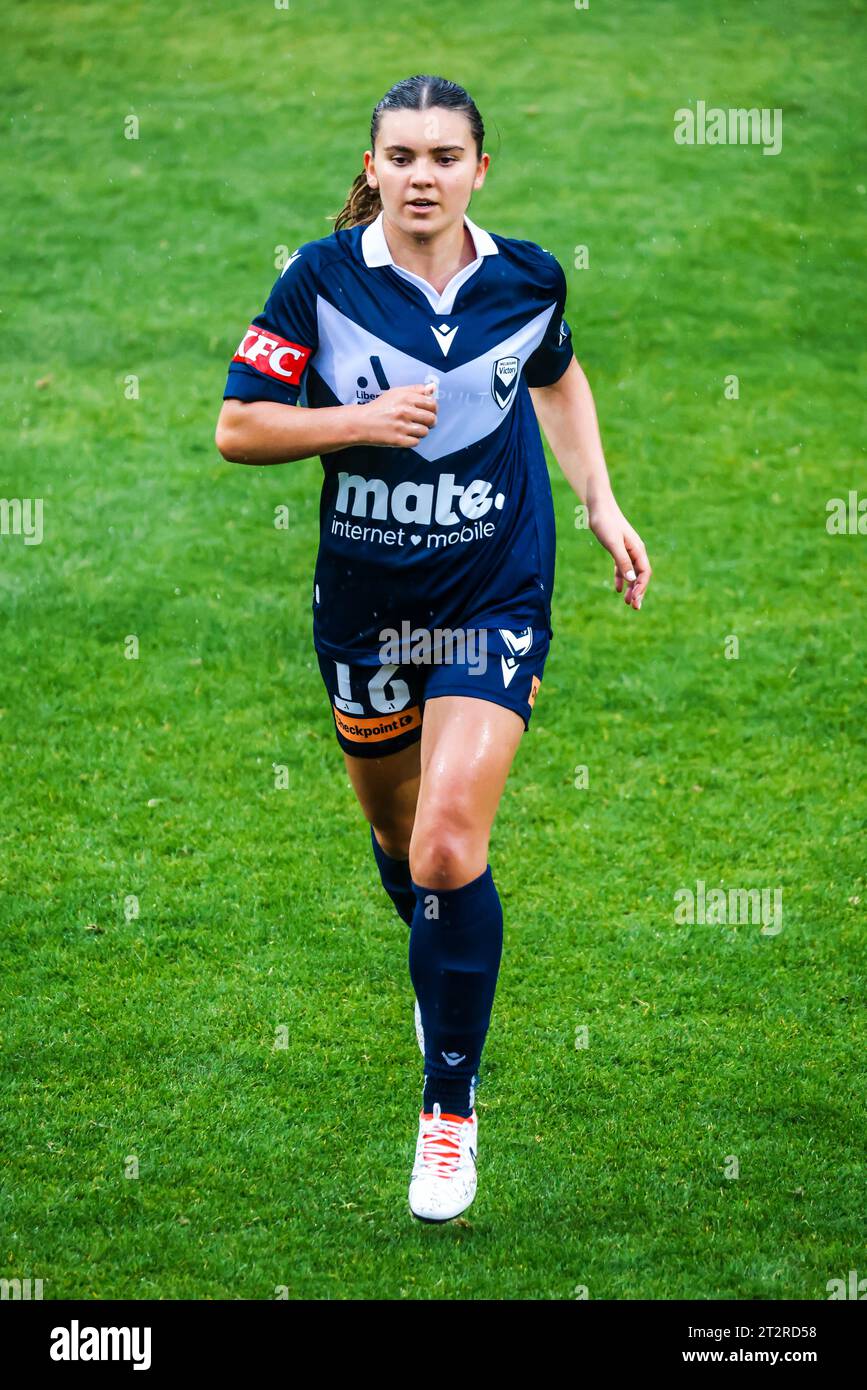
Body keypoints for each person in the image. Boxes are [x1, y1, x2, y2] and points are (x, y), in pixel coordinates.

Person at [215, 74, 652, 1224]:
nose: (422, 175)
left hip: (493, 594)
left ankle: (447, 1109)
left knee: (450, 844)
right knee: (398, 840)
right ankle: (439, 968)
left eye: (444, 156)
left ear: (478, 171)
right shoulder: (318, 281)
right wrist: (354, 421)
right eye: (401, 155)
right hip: (365, 611)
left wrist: (600, 503)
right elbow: (238, 427)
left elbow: (555, 376)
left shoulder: (528, 277)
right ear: (375, 167)